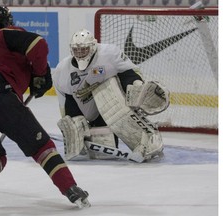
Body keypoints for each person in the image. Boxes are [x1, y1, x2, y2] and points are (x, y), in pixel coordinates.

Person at [0, 6, 90, 211]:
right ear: (8, 22)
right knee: (42, 149)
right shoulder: (7, 34)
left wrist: (32, 78)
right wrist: (40, 74)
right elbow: (38, 44)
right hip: (0, 96)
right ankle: (71, 188)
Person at [52, 28, 170, 162]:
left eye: (84, 49)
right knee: (90, 150)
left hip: (108, 100)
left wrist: (137, 87)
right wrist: (70, 126)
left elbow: (130, 71)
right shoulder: (62, 70)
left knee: (106, 150)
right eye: (76, 50)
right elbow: (65, 102)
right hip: (85, 107)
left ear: (93, 46)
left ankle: (146, 136)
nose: (80, 53)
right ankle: (84, 135)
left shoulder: (109, 54)